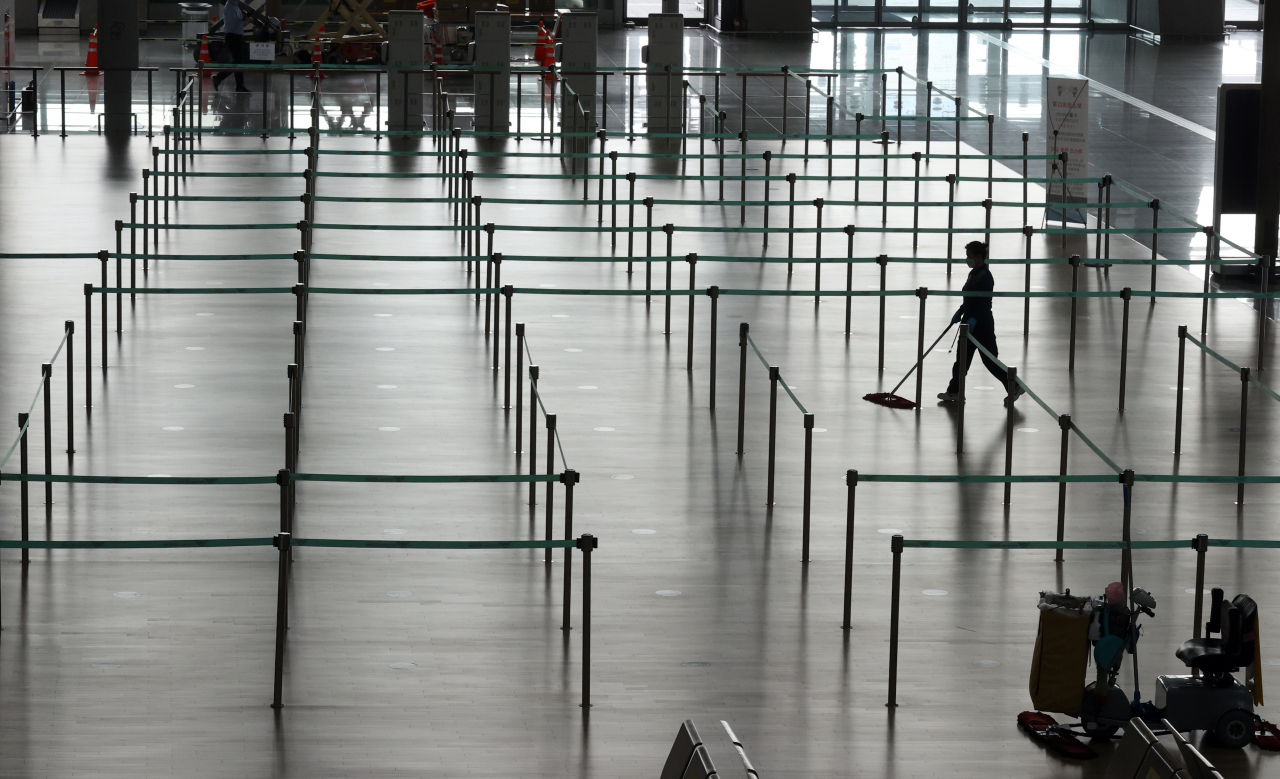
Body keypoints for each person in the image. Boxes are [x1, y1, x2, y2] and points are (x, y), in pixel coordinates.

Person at [938, 241, 1025, 405]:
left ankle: (1015, 386)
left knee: (990, 361)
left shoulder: (985, 277)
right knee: (962, 360)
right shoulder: (973, 274)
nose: (967, 259)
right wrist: (960, 311)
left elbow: (984, 303)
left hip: (982, 325)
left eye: (969, 256)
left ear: (978, 256)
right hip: (968, 324)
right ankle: (954, 391)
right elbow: (970, 299)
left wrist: (974, 319)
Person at [212, 0, 250, 93]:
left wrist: (245, 19)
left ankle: (239, 85)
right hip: (233, 37)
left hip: (237, 36)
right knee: (238, 62)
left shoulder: (235, 5)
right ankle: (220, 78)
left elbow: (238, 20)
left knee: (238, 62)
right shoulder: (230, 7)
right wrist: (245, 22)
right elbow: (233, 25)